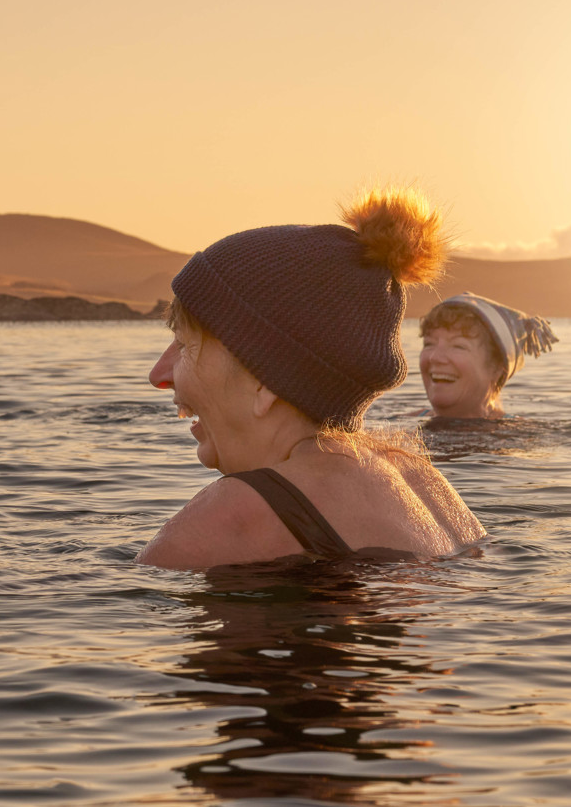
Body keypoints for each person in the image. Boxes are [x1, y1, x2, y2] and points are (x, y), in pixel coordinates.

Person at [137, 189, 483, 569]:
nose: (159, 375)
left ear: (264, 378)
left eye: (185, 345)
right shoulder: (426, 485)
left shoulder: (232, 515)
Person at [418, 293, 556, 420]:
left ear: (496, 368)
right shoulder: (401, 425)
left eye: (458, 346)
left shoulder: (519, 437)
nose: (434, 357)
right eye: (429, 344)